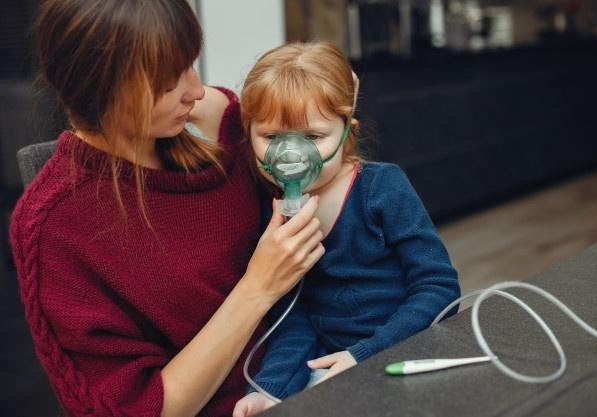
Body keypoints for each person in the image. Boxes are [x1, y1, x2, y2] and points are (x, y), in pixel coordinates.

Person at [9, 1, 325, 417]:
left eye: (190, 64)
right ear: (99, 86)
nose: (194, 90)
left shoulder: (210, 127)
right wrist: (258, 288)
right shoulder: (55, 225)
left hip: (317, 365)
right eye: (167, 81)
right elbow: (137, 409)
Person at [233, 41, 461, 417]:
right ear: (249, 136)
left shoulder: (383, 190)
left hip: (406, 351)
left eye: (311, 137)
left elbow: (439, 289)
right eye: (273, 138)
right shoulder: (272, 212)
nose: (291, 156)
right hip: (331, 369)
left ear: (346, 132)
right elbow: (292, 315)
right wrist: (271, 390)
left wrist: (364, 354)